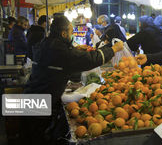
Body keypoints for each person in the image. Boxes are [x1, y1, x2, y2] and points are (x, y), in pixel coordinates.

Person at [21, 16, 123, 145]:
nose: (72, 35)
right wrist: (113, 49)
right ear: (63, 34)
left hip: (30, 95)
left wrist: (76, 51)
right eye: (70, 32)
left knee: (32, 135)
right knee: (37, 138)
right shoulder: (60, 50)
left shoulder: (47, 43)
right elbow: (90, 59)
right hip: (38, 102)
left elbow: (63, 57)